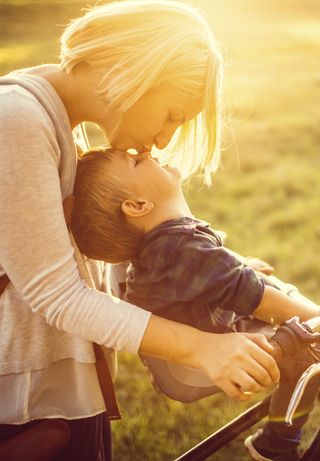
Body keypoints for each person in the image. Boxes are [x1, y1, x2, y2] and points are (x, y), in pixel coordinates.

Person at [0, 1, 282, 459]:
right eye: (172, 113)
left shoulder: (57, 126)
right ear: (139, 70)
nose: (165, 139)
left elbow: (84, 274)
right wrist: (204, 349)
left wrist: (208, 281)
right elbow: (58, 296)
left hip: (59, 391)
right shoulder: (16, 121)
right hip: (21, 404)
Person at [71, 147, 320, 461]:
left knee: (303, 342)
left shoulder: (169, 242)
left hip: (203, 335)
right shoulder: (176, 248)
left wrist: (238, 266)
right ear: (137, 205)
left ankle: (278, 438)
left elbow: (210, 274)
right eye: (135, 161)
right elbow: (261, 300)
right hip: (187, 367)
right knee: (305, 344)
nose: (145, 151)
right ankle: (278, 442)